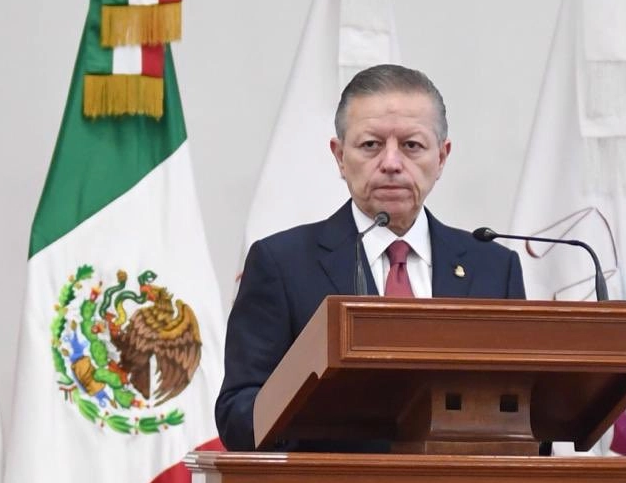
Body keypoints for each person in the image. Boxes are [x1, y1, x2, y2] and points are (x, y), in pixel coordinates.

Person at [216, 64, 525, 452]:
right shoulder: (282, 264)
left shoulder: (494, 268)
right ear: (340, 156)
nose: (392, 163)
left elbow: (525, 411)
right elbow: (238, 416)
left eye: (412, 145)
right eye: (371, 145)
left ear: (442, 157)